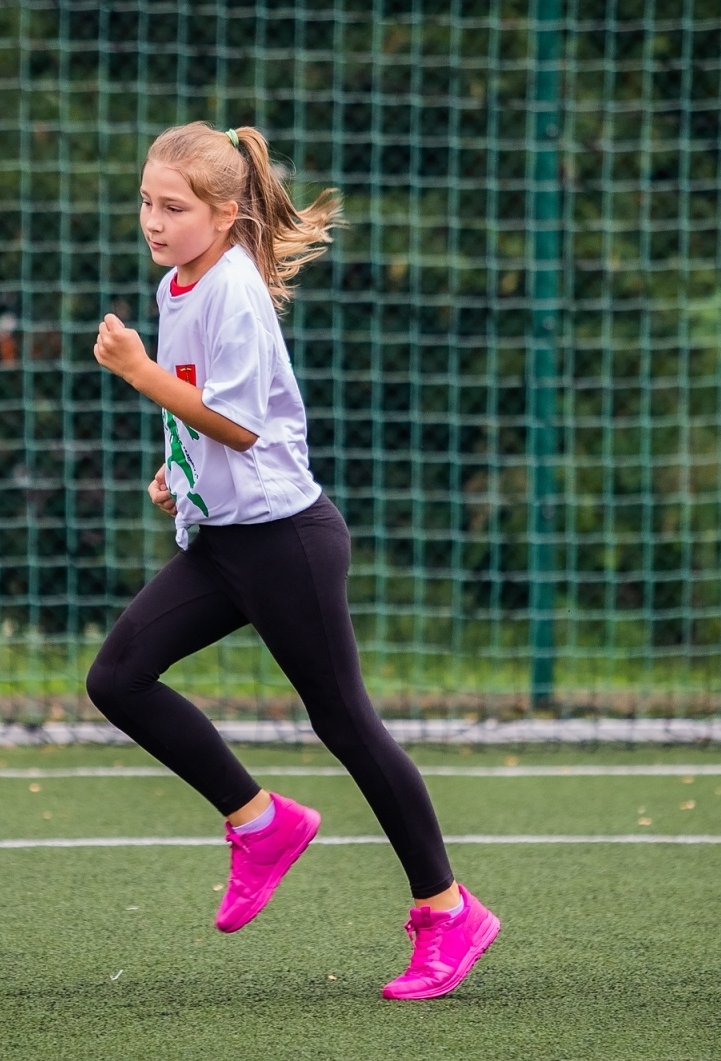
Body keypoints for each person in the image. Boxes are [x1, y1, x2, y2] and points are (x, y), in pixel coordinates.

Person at [86, 121, 499, 1000]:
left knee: (345, 723)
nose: (152, 221)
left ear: (225, 213)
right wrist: (177, 473)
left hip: (285, 543)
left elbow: (239, 423)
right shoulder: (178, 284)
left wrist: (136, 370)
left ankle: (448, 910)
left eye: (172, 206)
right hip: (225, 543)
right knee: (118, 678)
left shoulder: (232, 288)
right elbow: (207, 415)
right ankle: (261, 823)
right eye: (145, 203)